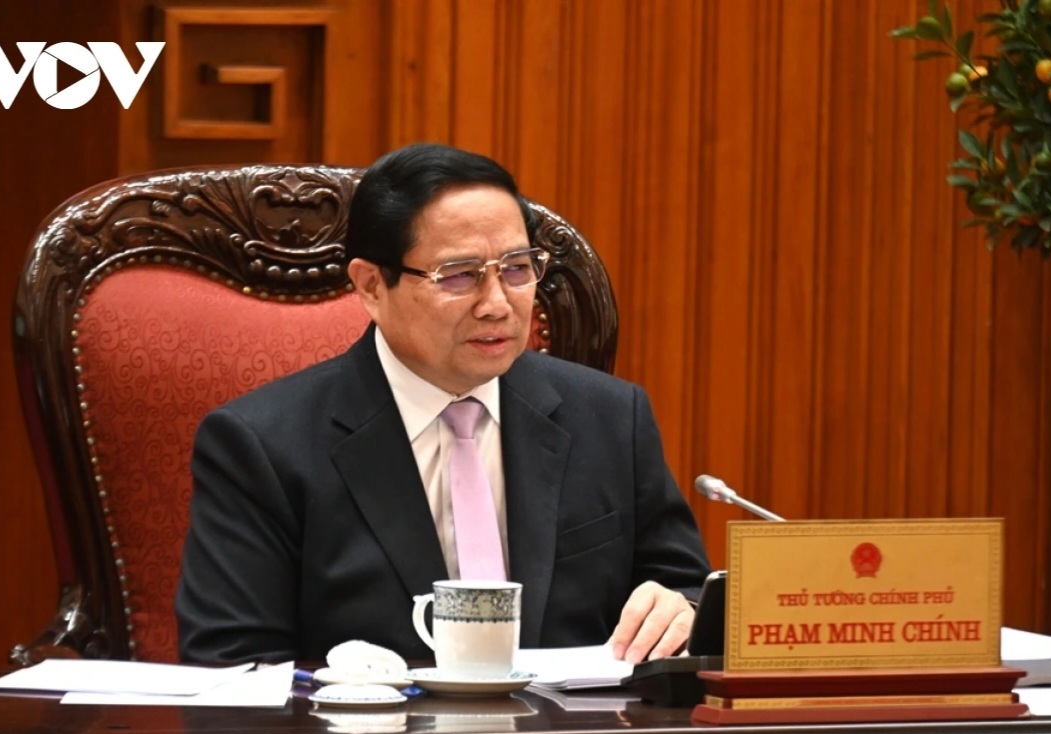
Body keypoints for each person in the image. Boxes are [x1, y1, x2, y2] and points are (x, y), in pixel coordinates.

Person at [175, 143, 710, 666]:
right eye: (458, 275)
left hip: (573, 726)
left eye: (517, 268)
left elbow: (688, 592)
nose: (497, 304)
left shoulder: (611, 418)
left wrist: (681, 610)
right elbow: (234, 669)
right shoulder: (263, 446)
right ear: (370, 286)